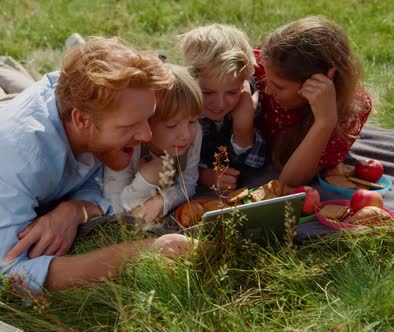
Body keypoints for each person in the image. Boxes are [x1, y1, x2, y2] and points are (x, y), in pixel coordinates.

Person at [0, 37, 194, 291]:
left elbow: (97, 184)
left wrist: (75, 211)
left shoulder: (91, 107)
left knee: (17, 89)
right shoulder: (19, 157)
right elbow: (4, 269)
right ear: (82, 120)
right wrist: (141, 251)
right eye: (130, 126)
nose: (147, 136)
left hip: (20, 109)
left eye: (147, 119)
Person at [254, 16, 372, 186]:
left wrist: (325, 121)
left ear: (321, 80)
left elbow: (290, 181)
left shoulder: (351, 111)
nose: (267, 90)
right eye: (267, 78)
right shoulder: (259, 66)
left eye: (279, 87)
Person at [103, 64, 203, 222]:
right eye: (172, 125)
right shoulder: (126, 146)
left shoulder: (194, 134)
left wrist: (162, 201)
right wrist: (146, 181)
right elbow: (112, 208)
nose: (186, 135)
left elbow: (189, 182)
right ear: (146, 122)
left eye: (192, 121)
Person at [179, 24, 267, 191]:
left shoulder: (246, 100)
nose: (220, 104)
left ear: (244, 83)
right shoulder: (181, 105)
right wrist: (204, 175)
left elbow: (254, 163)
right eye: (208, 92)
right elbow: (170, 162)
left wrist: (243, 127)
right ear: (190, 80)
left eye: (231, 92)